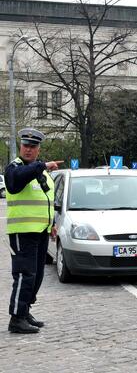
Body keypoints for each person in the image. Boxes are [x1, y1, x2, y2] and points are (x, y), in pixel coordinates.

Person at [5, 128, 63, 334]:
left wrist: (52, 224)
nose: (28, 150)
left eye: (33, 146)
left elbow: (47, 201)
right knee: (24, 274)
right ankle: (16, 318)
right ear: (21, 146)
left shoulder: (42, 172)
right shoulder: (14, 167)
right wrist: (41, 166)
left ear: (38, 148)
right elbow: (14, 183)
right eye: (26, 146)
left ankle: (25, 310)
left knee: (36, 275)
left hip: (40, 231)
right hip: (22, 231)